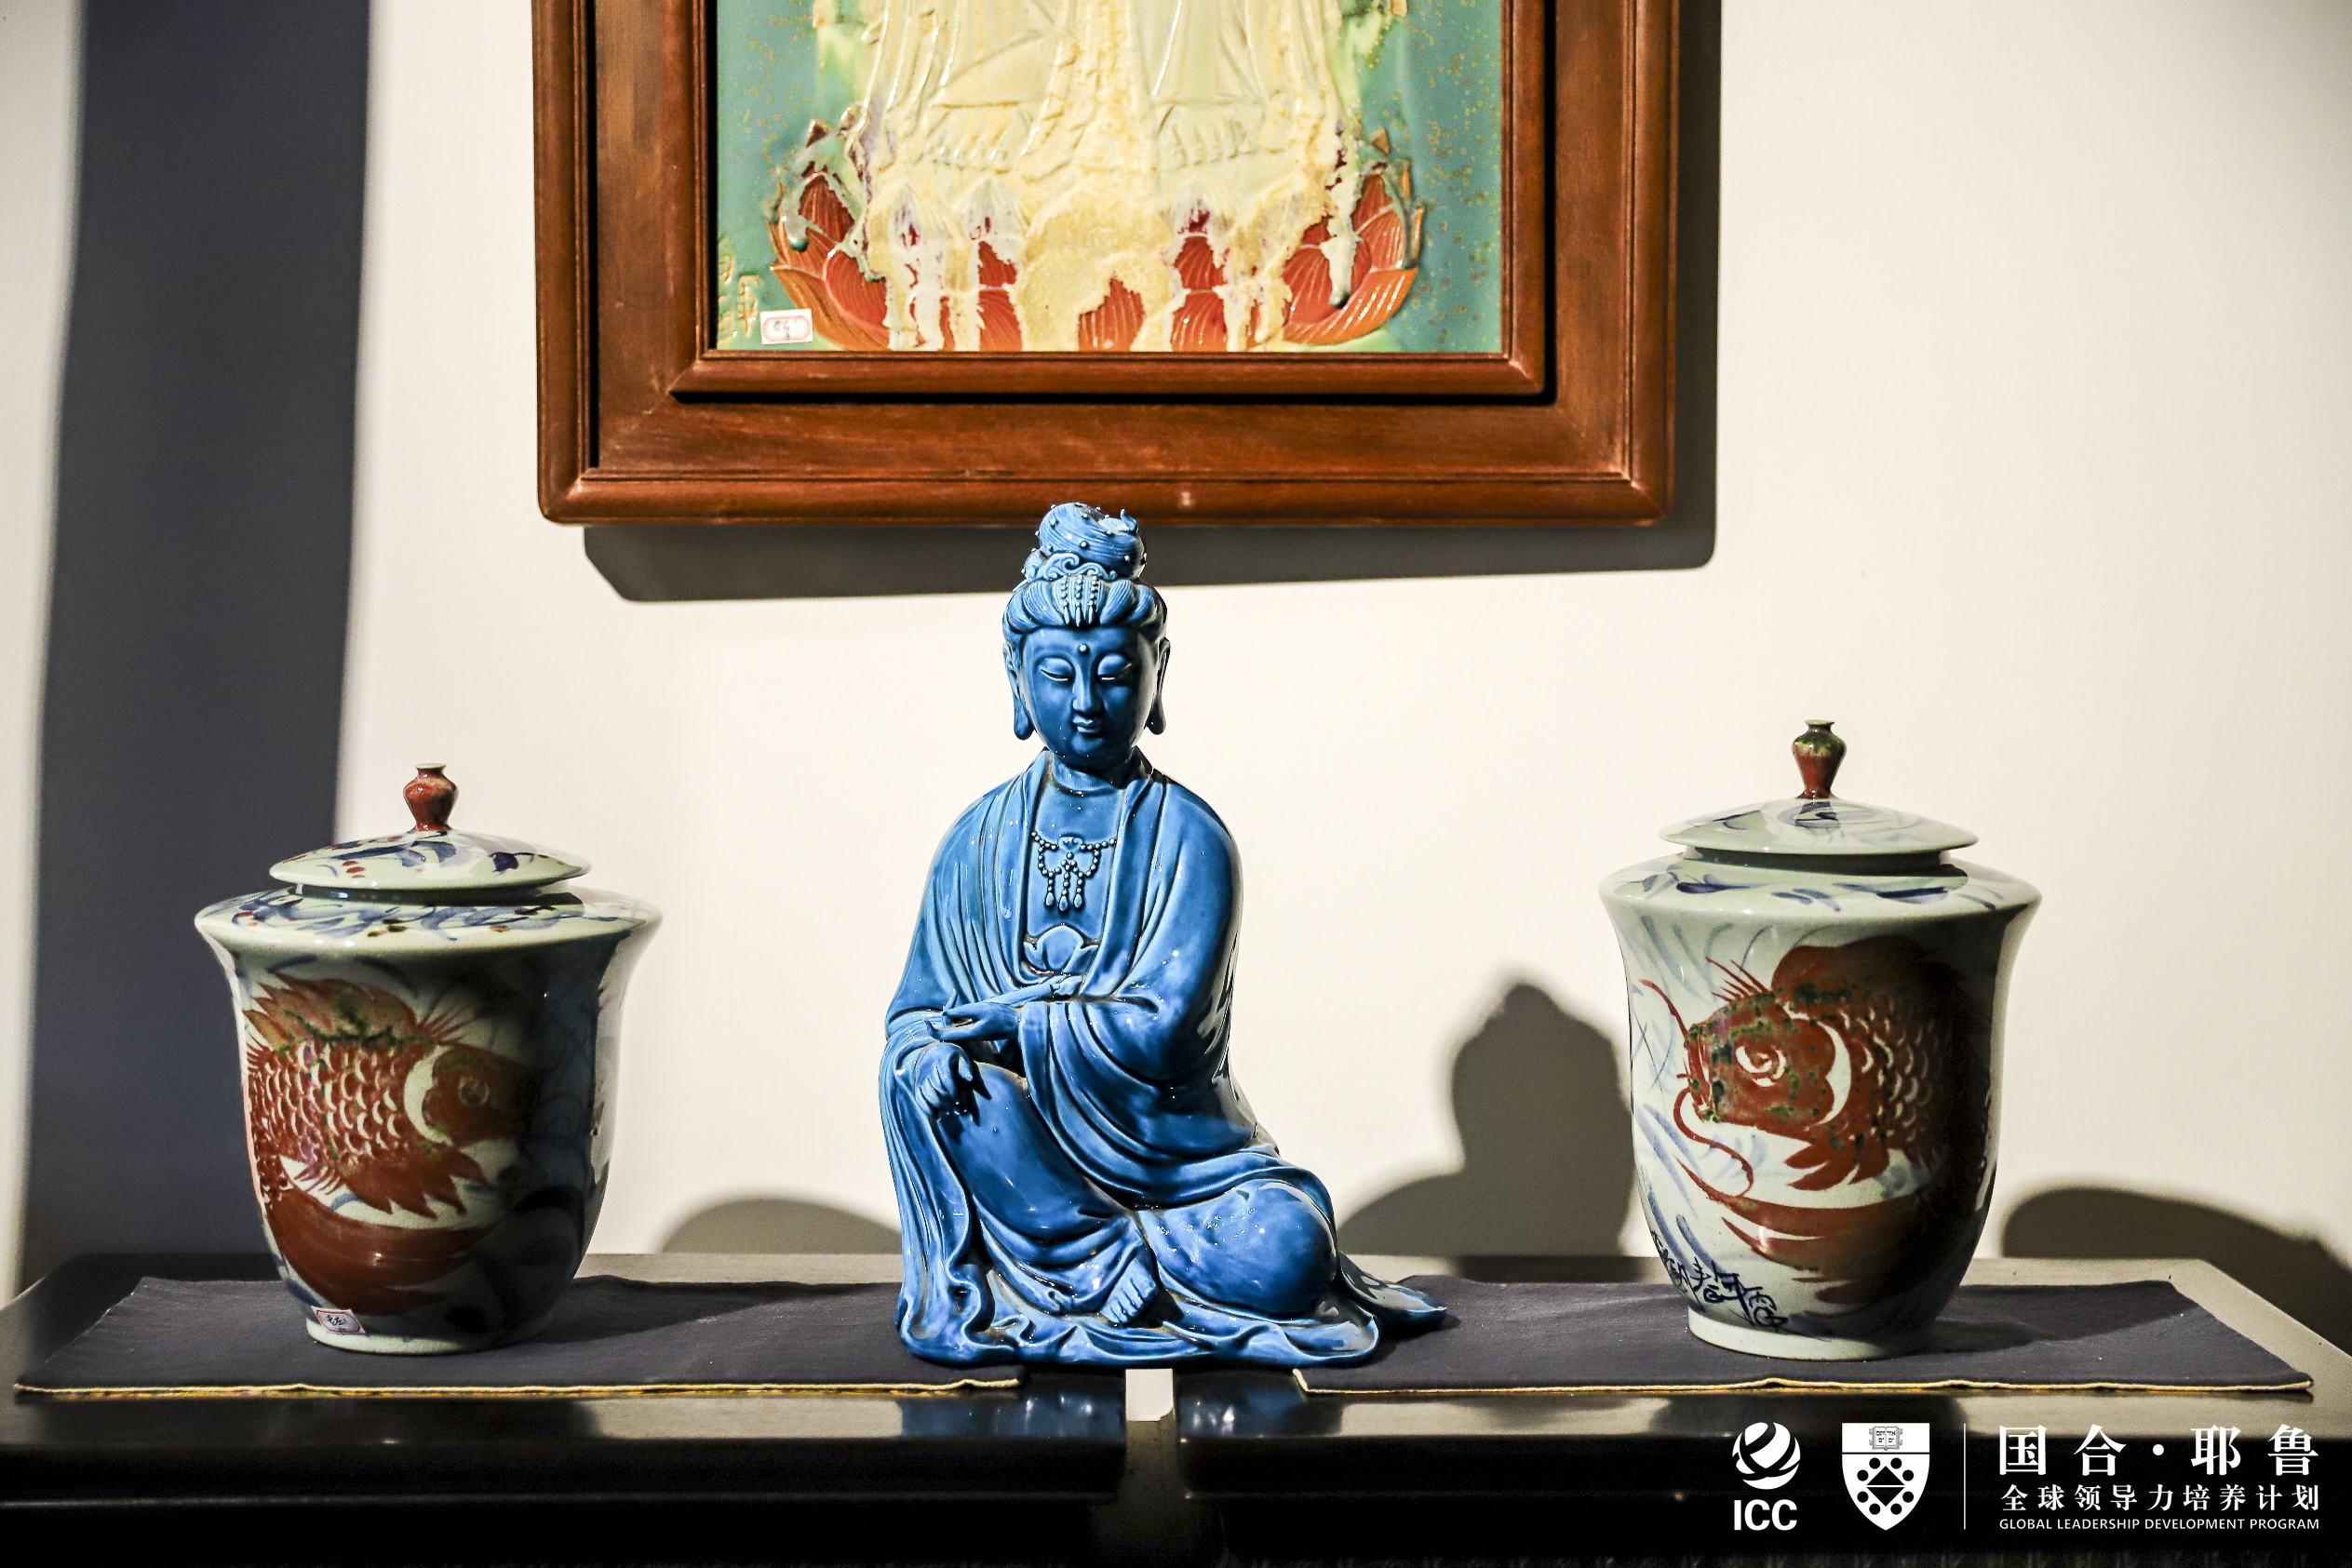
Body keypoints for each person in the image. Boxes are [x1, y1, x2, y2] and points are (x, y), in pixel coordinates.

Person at [880, 503, 1444, 1365]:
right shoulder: (976, 842)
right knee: (944, 1090)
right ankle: (1104, 1254)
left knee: (1287, 1246)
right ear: (1015, 679)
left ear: (1159, 671)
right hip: (1030, 1162)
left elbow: (1167, 1028)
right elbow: (917, 1015)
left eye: (1114, 673)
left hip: (1185, 1168)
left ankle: (1103, 1260)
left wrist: (1021, 1021)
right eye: (1056, 674)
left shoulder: (1190, 836)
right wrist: (929, 1052)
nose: (1085, 702)